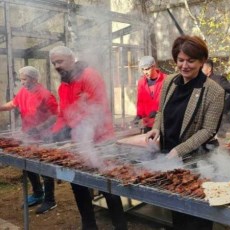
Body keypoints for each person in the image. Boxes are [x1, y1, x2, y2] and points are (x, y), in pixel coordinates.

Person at [145, 35, 225, 230]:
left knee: (198, 215)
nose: (184, 65)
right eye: (180, 60)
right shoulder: (170, 82)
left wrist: (179, 151)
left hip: (197, 161)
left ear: (202, 61)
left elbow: (208, 129)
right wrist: (156, 128)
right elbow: (162, 110)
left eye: (191, 60)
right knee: (177, 211)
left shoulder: (214, 91)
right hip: (168, 155)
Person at [49, 46, 127, 230]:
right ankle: (89, 225)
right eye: (53, 63)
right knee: (78, 184)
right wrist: (56, 133)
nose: (56, 66)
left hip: (102, 141)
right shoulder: (63, 86)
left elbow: (97, 110)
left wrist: (80, 133)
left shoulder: (89, 75)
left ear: (71, 58)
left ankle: (120, 226)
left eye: (59, 61)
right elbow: (63, 115)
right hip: (79, 143)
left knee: (108, 186)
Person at [0, 66, 58, 214]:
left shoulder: (45, 94)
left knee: (45, 167)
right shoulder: (23, 92)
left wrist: (39, 128)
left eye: (24, 79)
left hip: (44, 136)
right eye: (21, 79)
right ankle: (38, 193)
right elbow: (13, 104)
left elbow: (54, 116)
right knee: (28, 165)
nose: (22, 82)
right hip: (28, 135)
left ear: (33, 79)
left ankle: (50, 200)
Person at [202, 59, 230, 137]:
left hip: (219, 118)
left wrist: (225, 106)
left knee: (220, 141)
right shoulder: (201, 81)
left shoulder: (219, 79)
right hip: (204, 118)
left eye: (201, 68)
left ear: (209, 69)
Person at [134, 56, 166, 133]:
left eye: (147, 69)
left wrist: (158, 112)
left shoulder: (165, 80)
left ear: (154, 66)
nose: (145, 72)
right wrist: (139, 115)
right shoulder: (141, 82)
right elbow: (140, 101)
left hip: (161, 123)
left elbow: (169, 101)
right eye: (143, 70)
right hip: (147, 124)